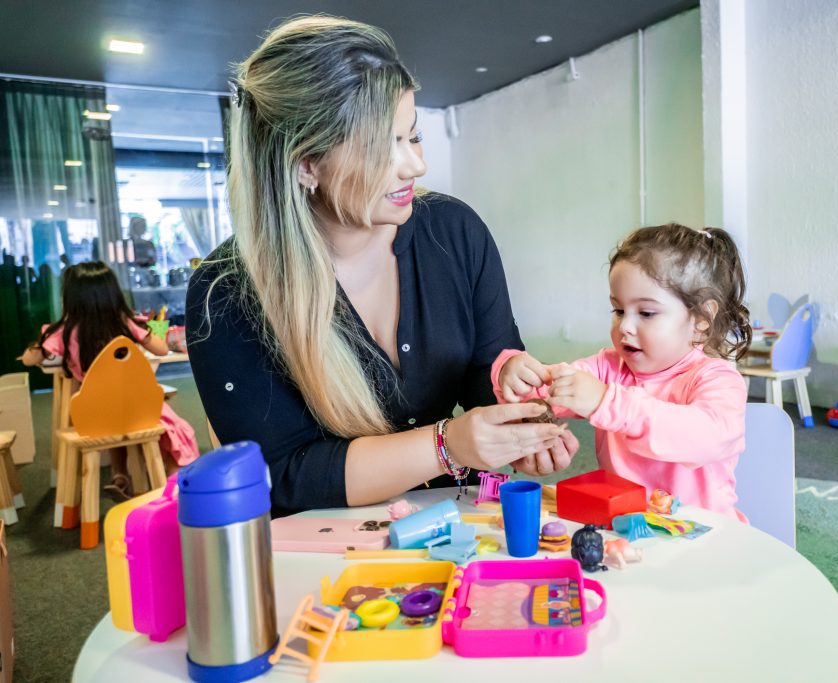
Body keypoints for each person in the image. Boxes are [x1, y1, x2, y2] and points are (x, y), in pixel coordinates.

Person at [185, 16, 576, 515]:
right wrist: (448, 444)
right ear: (306, 164)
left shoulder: (454, 232)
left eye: (412, 137)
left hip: (454, 515)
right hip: (323, 542)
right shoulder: (227, 294)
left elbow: (487, 367)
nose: (415, 165)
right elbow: (281, 476)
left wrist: (518, 422)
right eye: (383, 147)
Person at [493, 225, 752, 521]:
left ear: (701, 318)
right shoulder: (608, 367)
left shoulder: (716, 378)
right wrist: (510, 371)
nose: (625, 327)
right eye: (618, 311)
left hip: (701, 534)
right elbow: (541, 390)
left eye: (646, 313)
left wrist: (607, 402)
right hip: (624, 528)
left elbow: (706, 438)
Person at [21, 261, 199, 496]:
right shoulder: (125, 323)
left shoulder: (64, 330)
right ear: (112, 294)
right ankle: (171, 490)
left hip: (93, 414)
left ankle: (120, 475)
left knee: (120, 422)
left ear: (71, 298)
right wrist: (146, 330)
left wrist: (42, 342)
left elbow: (27, 360)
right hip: (135, 409)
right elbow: (161, 349)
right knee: (177, 431)